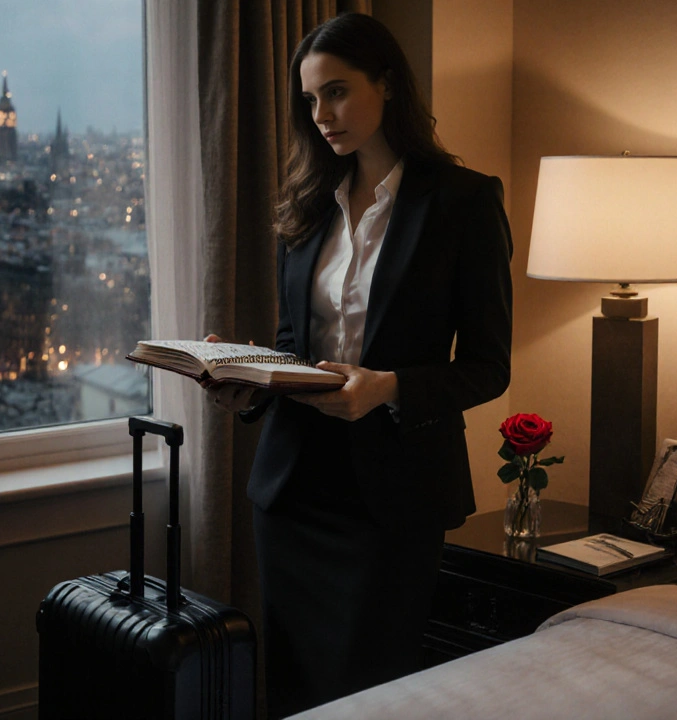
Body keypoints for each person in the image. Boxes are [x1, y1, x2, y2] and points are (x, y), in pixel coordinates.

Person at [205, 12, 512, 718]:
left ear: (389, 85)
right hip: (293, 490)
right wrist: (245, 381)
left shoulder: (463, 202)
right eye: (310, 100)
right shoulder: (308, 205)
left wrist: (391, 388)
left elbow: (489, 367)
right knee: (294, 692)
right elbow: (294, 341)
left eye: (337, 93)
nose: (322, 116)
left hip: (394, 498)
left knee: (374, 693)